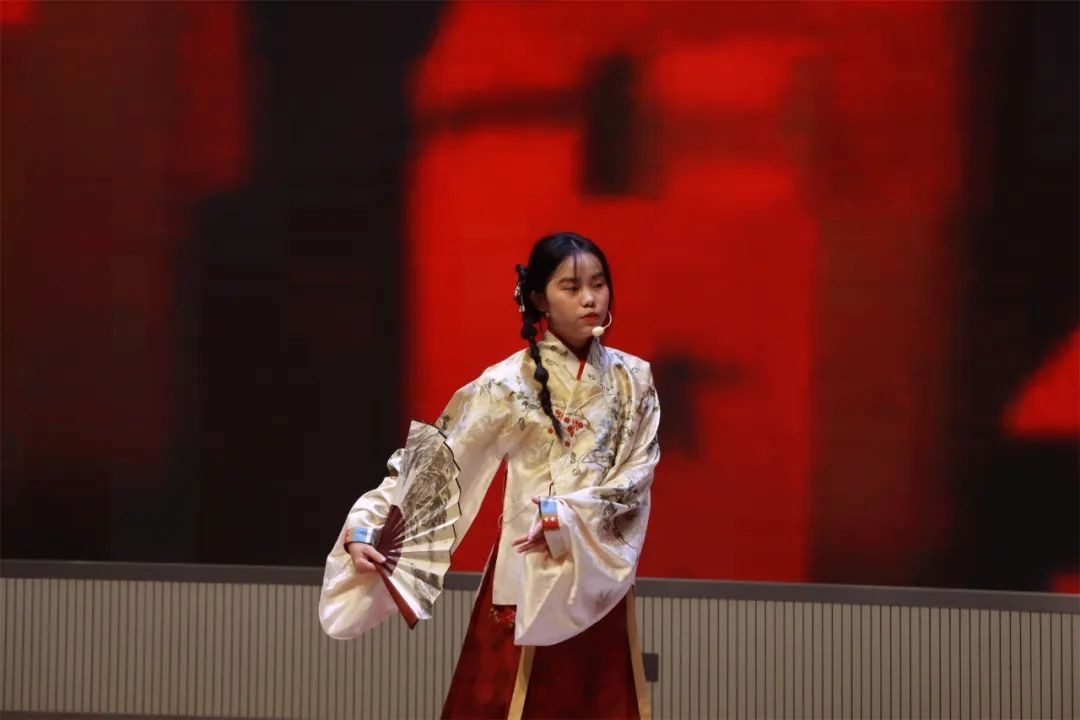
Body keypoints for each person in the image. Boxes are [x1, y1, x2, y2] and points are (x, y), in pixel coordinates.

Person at [318, 232, 661, 719]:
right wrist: (368, 527)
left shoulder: (634, 379)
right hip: (527, 568)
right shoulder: (506, 383)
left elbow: (637, 475)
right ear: (539, 298)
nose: (590, 298)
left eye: (599, 284)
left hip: (595, 570)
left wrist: (564, 517)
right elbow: (439, 464)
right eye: (571, 287)